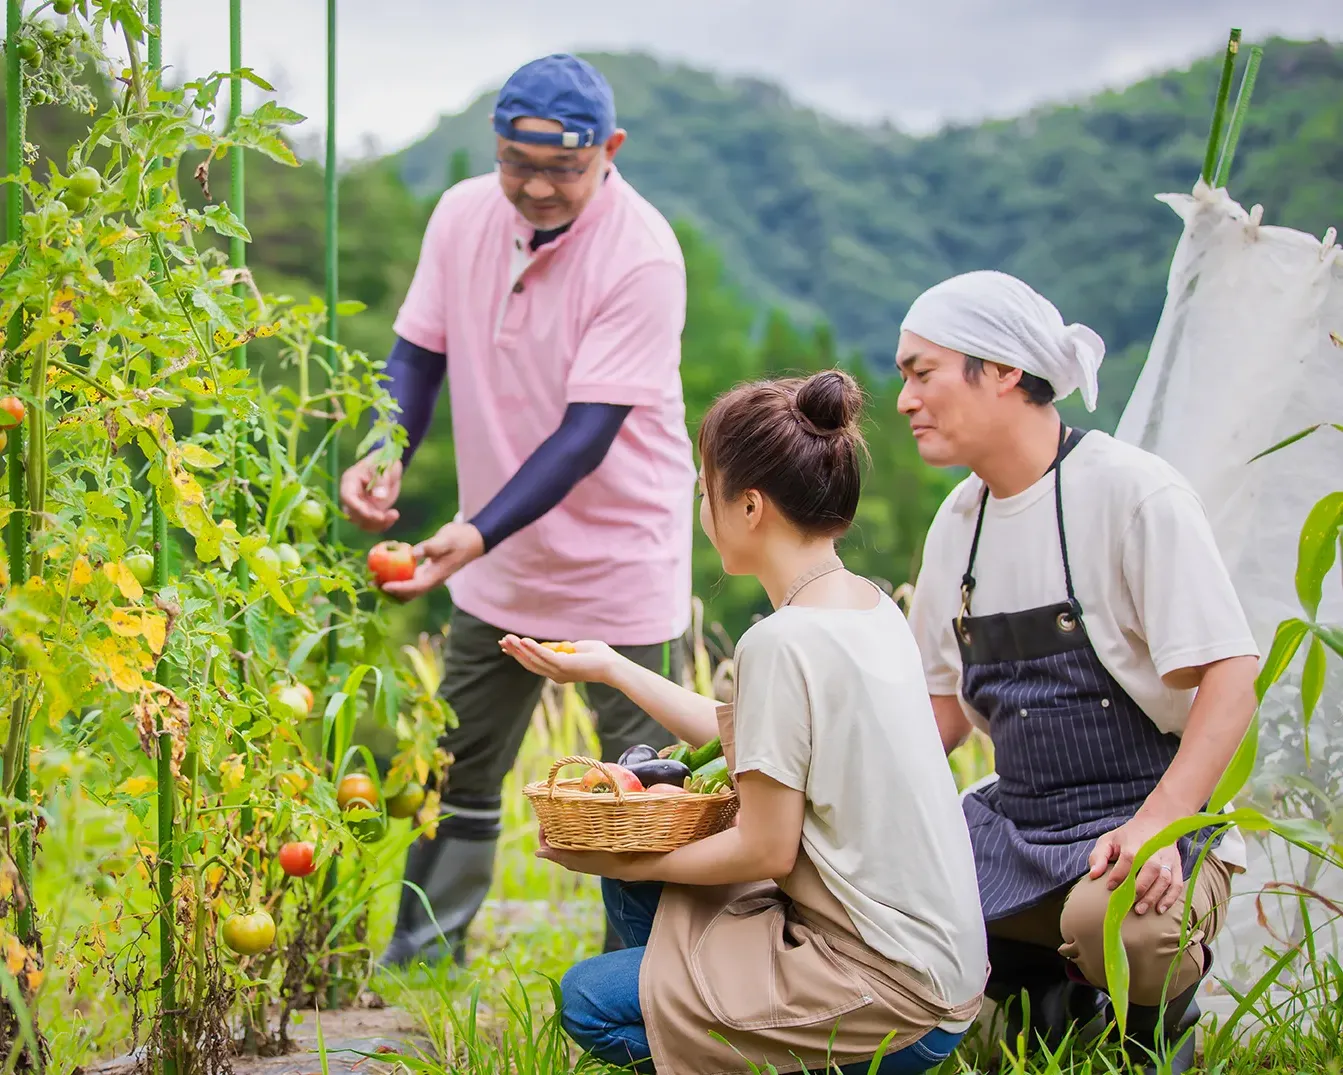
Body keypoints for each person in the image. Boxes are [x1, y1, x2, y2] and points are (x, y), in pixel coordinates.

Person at [499, 370, 988, 1075]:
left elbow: (765, 851)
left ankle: (728, 1042)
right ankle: (701, 1009)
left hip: (886, 995)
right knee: (639, 879)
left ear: (749, 505)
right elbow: (756, 730)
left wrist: (609, 854)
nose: (703, 511)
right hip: (936, 970)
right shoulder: (865, 607)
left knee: (589, 1000)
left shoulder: (783, 641)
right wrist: (611, 667)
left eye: (706, 493)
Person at [339, 53, 697, 967]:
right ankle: (422, 954)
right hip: (496, 559)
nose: (535, 186)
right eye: (515, 163)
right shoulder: (463, 213)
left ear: (609, 150)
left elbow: (585, 435)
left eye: (563, 169)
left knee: (646, 790)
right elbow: (416, 356)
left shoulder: (642, 254)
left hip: (618, 562)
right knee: (456, 761)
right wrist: (385, 450)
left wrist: (470, 530)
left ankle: (658, 974)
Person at [898, 271, 1260, 1072]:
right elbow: (941, 717)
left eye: (921, 372)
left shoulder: (1130, 493)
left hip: (1143, 827)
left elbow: (1230, 677)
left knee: (1121, 923)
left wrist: (1160, 825)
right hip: (1019, 821)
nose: (904, 399)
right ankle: (1040, 996)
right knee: (890, 883)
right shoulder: (956, 523)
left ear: (997, 371)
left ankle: (1153, 1034)